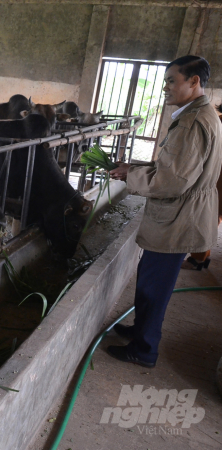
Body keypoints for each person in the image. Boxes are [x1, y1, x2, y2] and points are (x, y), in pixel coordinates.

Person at [107, 55, 222, 368]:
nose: (166, 88)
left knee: (155, 287)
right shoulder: (198, 114)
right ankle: (139, 331)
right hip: (180, 214)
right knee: (149, 279)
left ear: (194, 81)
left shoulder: (192, 122)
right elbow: (176, 168)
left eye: (172, 80)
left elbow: (173, 181)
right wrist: (135, 167)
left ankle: (144, 350)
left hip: (179, 218)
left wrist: (130, 176)